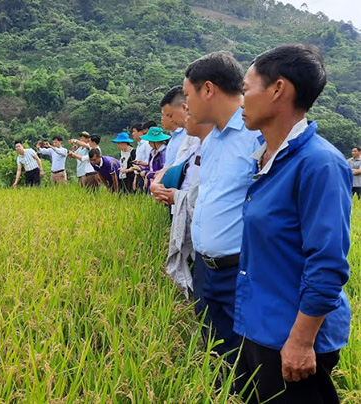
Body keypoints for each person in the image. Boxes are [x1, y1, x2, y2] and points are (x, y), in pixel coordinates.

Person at [234, 44, 352, 404]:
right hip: (259, 326)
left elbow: (327, 264)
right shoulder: (265, 157)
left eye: (246, 89)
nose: (241, 101)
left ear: (278, 90)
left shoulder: (319, 164)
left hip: (292, 339)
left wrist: (301, 342)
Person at [183, 50, 262, 362]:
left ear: (208, 89)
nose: (186, 105)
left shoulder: (256, 136)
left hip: (238, 271)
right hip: (207, 269)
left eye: (188, 95)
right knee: (214, 353)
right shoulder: (213, 139)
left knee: (243, 358)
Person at [150, 118, 213, 299]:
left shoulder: (221, 140)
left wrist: (177, 196)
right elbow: (175, 165)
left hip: (200, 213)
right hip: (180, 203)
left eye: (166, 114)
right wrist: (155, 183)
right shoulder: (190, 141)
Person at [161, 86, 201, 167]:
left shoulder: (195, 134)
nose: (171, 120)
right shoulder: (184, 135)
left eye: (170, 115)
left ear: (184, 107)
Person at [130, 122, 155, 192]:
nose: (132, 134)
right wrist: (135, 180)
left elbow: (150, 162)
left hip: (145, 175)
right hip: (139, 175)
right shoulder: (139, 145)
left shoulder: (147, 144)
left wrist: (139, 163)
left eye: (134, 131)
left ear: (140, 132)